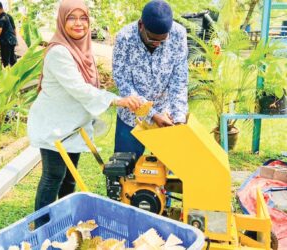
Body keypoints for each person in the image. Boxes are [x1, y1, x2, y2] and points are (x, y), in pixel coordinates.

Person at [27, 0, 142, 226]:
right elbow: (78, 88)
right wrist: (117, 100)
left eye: (83, 18)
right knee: (53, 176)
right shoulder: (59, 52)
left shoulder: (82, 49)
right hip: (54, 125)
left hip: (72, 124)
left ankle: (65, 220)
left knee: (70, 177)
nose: (78, 24)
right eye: (72, 18)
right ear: (62, 21)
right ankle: (41, 226)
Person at [113, 0, 189, 159]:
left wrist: (179, 119)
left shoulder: (178, 34)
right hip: (132, 118)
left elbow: (179, 80)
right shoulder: (124, 37)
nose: (157, 44)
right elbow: (122, 80)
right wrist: (151, 114)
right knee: (124, 171)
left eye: (162, 41)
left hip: (165, 115)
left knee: (167, 172)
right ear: (141, 25)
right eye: (152, 39)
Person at [0, 1, 17, 67]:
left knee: (5, 60)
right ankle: (15, 74)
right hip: (12, 40)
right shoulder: (9, 16)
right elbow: (14, 29)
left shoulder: (1, 18)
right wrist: (15, 38)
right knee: (12, 59)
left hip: (6, 42)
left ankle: (7, 75)